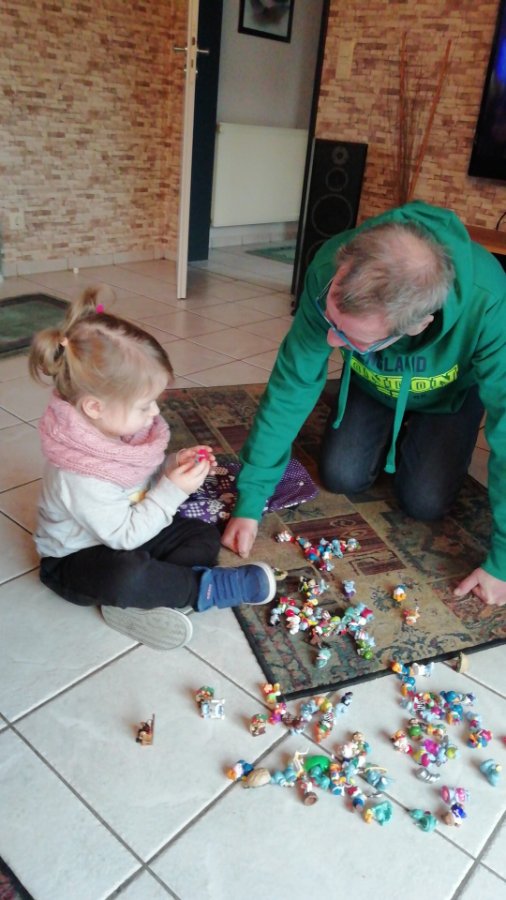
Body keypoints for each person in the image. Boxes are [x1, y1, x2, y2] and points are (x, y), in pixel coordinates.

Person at [222, 200, 506, 607]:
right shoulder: (331, 267)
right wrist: (251, 499)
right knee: (341, 475)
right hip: (372, 385)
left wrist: (503, 563)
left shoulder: (490, 300)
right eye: (331, 320)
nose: (331, 341)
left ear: (418, 325)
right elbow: (292, 384)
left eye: (351, 337)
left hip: (449, 397)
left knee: (425, 503)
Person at [29, 286, 276, 650]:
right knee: (126, 575)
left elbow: (139, 475)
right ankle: (204, 589)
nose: (156, 412)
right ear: (95, 408)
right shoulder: (79, 475)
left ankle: (151, 593)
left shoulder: (114, 429)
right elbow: (124, 538)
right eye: (145, 406)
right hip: (76, 558)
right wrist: (173, 490)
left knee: (202, 536)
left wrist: (173, 465)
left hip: (128, 527)